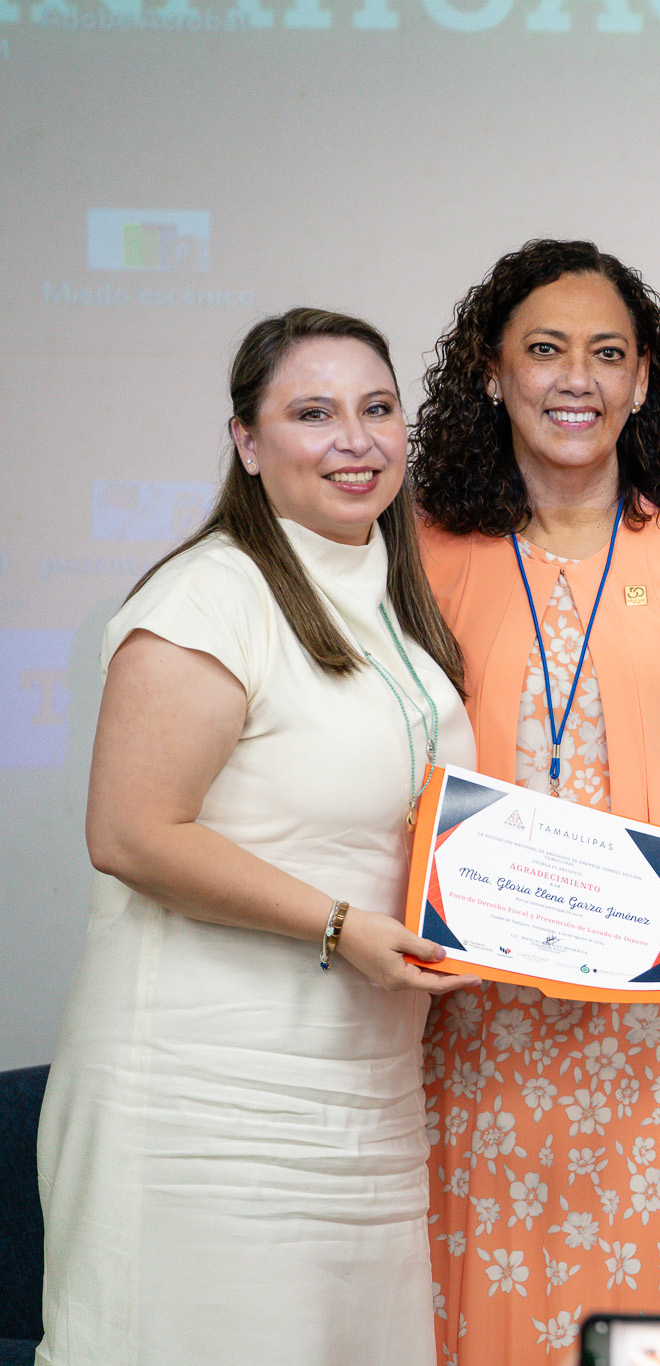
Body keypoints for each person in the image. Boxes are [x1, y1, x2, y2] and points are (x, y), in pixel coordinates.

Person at [36, 308, 478, 1365]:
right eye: (313, 413)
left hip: (362, 1100)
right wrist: (340, 926)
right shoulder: (211, 594)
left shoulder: (391, 603)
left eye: (377, 409)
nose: (355, 440)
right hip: (208, 1109)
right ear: (246, 441)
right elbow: (130, 832)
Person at [408, 240, 660, 1364]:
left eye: (606, 353)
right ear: (491, 372)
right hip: (493, 1009)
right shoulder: (424, 546)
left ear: (643, 380)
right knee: (503, 1300)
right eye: (543, 349)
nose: (574, 378)